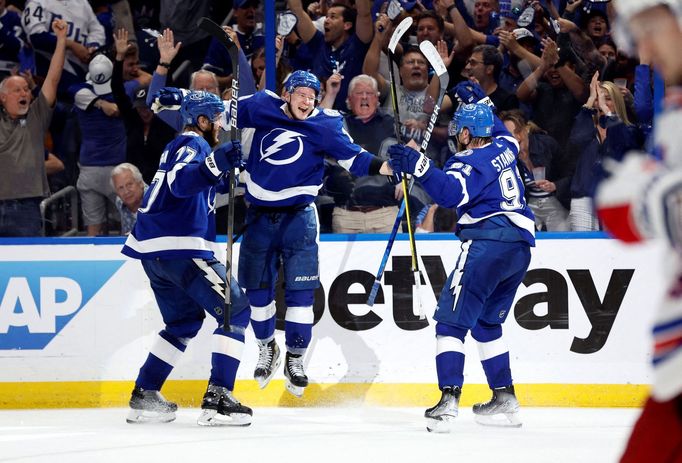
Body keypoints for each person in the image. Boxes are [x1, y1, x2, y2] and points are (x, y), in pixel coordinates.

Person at [206, 70, 392, 397]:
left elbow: (356, 159)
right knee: (258, 293)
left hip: (300, 218)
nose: (306, 102)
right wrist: (220, 126)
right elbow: (222, 113)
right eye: (301, 94)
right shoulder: (262, 105)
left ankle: (295, 357)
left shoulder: (326, 124)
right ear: (287, 94)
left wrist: (387, 167)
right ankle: (267, 347)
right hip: (259, 217)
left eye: (312, 96)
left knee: (300, 295)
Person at [388, 85, 534, 432]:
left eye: (459, 130)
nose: (456, 135)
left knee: (451, 325)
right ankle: (504, 396)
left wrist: (420, 165)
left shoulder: (467, 160)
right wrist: (482, 100)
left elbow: (451, 194)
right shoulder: (505, 145)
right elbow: (498, 126)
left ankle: (448, 402)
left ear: (467, 133)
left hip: (487, 242)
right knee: (486, 323)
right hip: (519, 248)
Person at [121, 91, 252, 426]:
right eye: (217, 119)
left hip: (155, 252)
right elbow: (181, 184)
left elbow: (193, 187)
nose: (222, 126)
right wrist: (218, 162)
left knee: (183, 324)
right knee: (234, 308)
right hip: (180, 248)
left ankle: (145, 393)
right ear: (203, 122)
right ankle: (219, 398)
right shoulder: (195, 144)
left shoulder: (181, 144)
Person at [595, 1, 682, 461]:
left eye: (650, 29)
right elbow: (620, 214)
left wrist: (648, 193)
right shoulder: (673, 105)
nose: (643, 47)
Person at [0, 18, 66, 237]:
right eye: (17, 90)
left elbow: (53, 79)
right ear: (2, 97)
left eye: (26, 89)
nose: (24, 93)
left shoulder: (37, 116)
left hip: (27, 210)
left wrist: (61, 39)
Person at [110, 163, 147, 235]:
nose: (126, 191)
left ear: (140, 183)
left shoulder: (156, 200)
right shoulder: (120, 201)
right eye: (120, 188)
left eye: (129, 184)